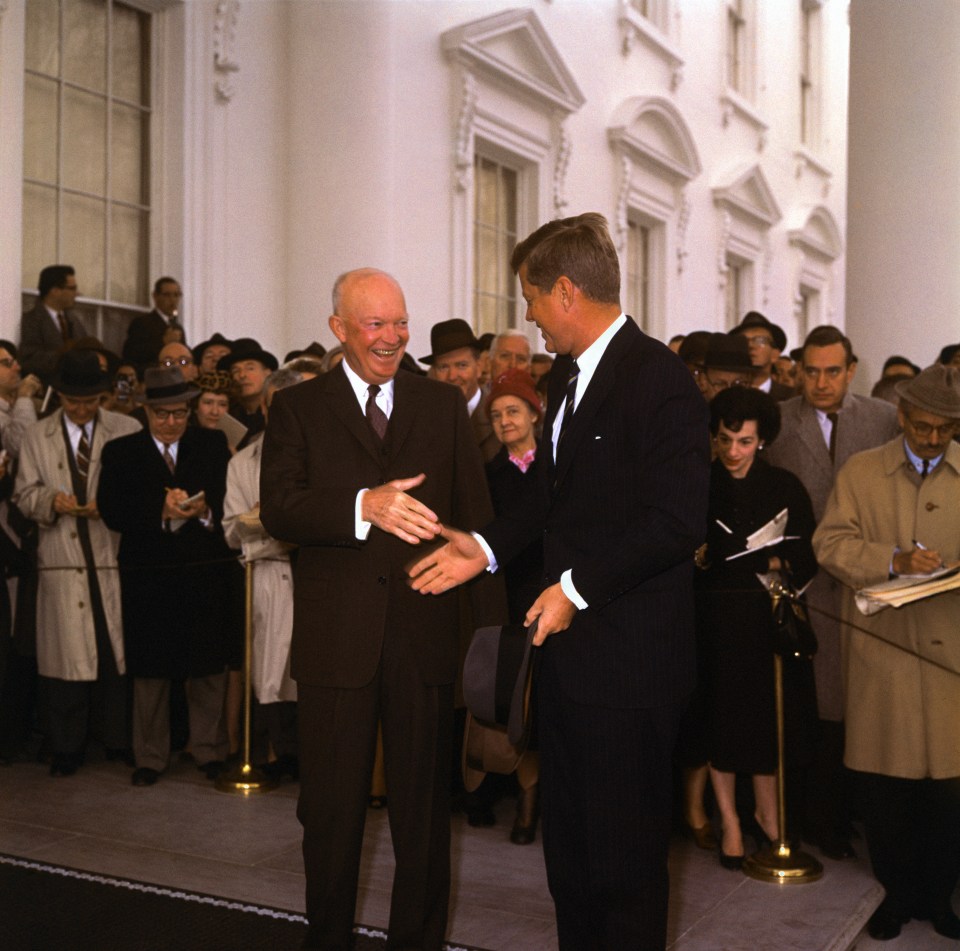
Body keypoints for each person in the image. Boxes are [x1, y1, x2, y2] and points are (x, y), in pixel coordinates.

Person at [409, 213, 710, 951]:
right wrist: (483, 546)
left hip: (633, 669)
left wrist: (573, 589)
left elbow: (675, 522)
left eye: (533, 299)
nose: (531, 317)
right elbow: (547, 496)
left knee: (626, 866)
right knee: (570, 860)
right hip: (570, 666)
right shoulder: (571, 376)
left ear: (567, 291)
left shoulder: (660, 379)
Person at [259, 267, 499, 950]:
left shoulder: (442, 406)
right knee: (330, 815)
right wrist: (363, 506)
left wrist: (487, 633)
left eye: (400, 322)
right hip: (338, 646)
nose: (393, 337)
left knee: (422, 821)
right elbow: (280, 507)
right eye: (375, 324)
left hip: (424, 639)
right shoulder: (301, 409)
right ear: (338, 329)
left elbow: (477, 523)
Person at [812, 364, 960, 942]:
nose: (931, 440)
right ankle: (895, 896)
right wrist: (893, 560)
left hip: (951, 665)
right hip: (885, 655)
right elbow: (830, 543)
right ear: (901, 417)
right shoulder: (861, 471)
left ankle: (938, 898)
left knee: (949, 795)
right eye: (922, 428)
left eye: (945, 431)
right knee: (886, 793)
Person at [764, 324, 899, 860]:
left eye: (832, 372)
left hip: (871, 583)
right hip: (807, 587)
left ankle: (855, 813)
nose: (820, 382)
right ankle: (820, 821)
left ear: (852, 369)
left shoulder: (885, 420)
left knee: (864, 705)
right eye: (811, 372)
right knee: (814, 707)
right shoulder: (780, 423)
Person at [695, 387, 818, 869]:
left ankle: (769, 817)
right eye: (724, 439)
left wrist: (767, 561)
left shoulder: (785, 487)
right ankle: (728, 822)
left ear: (762, 440)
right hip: (714, 625)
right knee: (720, 721)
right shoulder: (701, 484)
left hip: (768, 624)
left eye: (744, 442)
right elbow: (696, 558)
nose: (732, 452)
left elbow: (804, 555)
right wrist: (755, 558)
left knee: (769, 724)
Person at [97, 367, 236, 787]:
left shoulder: (212, 445)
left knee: (208, 668)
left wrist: (204, 510)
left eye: (179, 414)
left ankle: (209, 750)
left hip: (203, 573)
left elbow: (230, 501)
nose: (171, 422)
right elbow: (111, 511)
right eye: (162, 415)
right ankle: (151, 756)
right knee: (151, 672)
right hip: (148, 577)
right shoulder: (121, 451)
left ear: (190, 410)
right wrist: (158, 512)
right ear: (146, 412)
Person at [13, 350, 141, 776]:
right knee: (65, 658)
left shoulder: (126, 428)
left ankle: (118, 741)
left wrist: (111, 506)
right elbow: (24, 493)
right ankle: (67, 747)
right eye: (73, 402)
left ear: (103, 397)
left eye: (90, 401)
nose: (82, 409)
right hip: (61, 559)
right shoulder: (36, 436)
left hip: (112, 555)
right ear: (60, 397)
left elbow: (138, 490)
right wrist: (52, 500)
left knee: (113, 652)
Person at [223, 366, 307, 781]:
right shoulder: (244, 461)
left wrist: (268, 527)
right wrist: (281, 535)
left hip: (315, 579)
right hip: (268, 578)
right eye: (276, 408)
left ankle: (310, 758)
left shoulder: (326, 455)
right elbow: (233, 530)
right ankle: (276, 755)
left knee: (310, 673)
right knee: (270, 671)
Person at [482, 368, 545, 845]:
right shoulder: (491, 475)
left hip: (555, 597)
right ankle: (523, 801)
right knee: (517, 705)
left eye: (513, 411)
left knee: (549, 706)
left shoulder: (558, 467)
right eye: (497, 414)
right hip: (509, 599)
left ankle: (544, 801)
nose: (505, 421)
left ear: (533, 414)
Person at [421, 319, 500, 462]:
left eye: (462, 365)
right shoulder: (422, 420)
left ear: (479, 367)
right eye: (443, 367)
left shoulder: (500, 415)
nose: (452, 376)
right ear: (433, 372)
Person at [19, 265, 85, 384]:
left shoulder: (75, 321)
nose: (77, 293)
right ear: (55, 291)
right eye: (72, 288)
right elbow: (28, 361)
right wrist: (61, 354)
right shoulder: (31, 321)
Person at [122, 277, 185, 374]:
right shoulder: (141, 323)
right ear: (155, 296)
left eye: (176, 295)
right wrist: (162, 342)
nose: (173, 300)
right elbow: (131, 355)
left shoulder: (178, 327)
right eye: (167, 295)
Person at [729, 311, 794, 401]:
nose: (751, 346)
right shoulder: (728, 394)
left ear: (774, 354)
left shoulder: (792, 397)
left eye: (760, 340)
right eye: (743, 340)